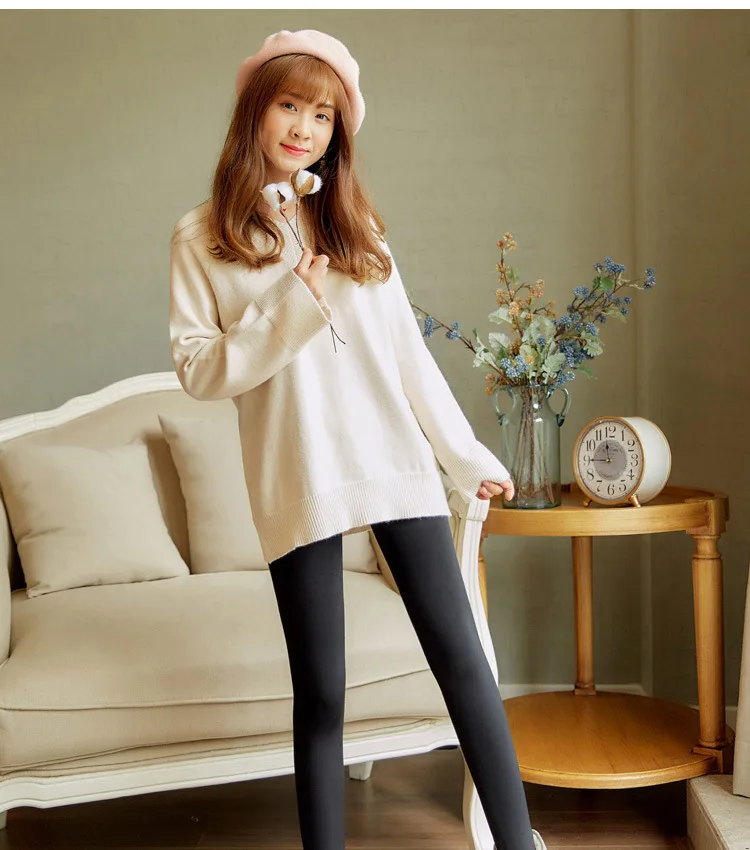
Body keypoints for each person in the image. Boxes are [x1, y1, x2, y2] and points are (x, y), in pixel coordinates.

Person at [169, 28, 547, 850]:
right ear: (255, 111)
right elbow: (198, 370)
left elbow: (406, 357)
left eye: (323, 115)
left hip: (391, 459)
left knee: (463, 662)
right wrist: (290, 307)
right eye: (290, 105)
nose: (304, 128)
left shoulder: (356, 224)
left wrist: (464, 457)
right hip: (298, 472)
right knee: (322, 691)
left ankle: (518, 843)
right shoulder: (202, 236)